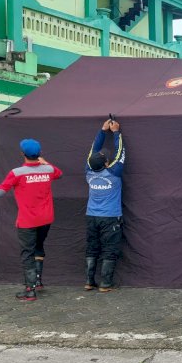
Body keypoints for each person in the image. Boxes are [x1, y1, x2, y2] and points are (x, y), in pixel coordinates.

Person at [0, 139, 63, 301]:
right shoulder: (49, 170)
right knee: (38, 248)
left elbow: (0, 192)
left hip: (27, 221)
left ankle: (30, 290)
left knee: (27, 253)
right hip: (46, 218)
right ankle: (38, 282)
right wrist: (44, 162)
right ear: (39, 154)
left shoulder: (17, 173)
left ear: (23, 154)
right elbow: (59, 173)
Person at [84, 118, 125, 292]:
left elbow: (93, 151)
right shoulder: (114, 172)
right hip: (110, 217)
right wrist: (116, 132)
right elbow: (120, 152)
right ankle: (105, 283)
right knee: (110, 249)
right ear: (106, 163)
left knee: (92, 248)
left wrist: (102, 130)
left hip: (91, 216)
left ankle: (89, 282)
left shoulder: (88, 171)